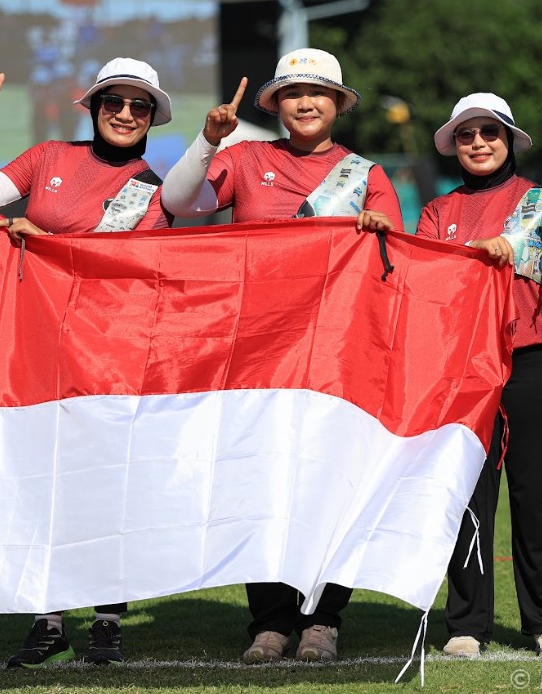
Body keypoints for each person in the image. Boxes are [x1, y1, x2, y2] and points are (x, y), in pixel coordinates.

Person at [161, 47, 404, 664]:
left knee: (330, 484)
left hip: (335, 359)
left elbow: (398, 266)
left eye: (318, 92)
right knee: (260, 483)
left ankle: (323, 619)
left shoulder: (367, 174)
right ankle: (269, 622)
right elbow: (177, 203)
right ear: (275, 104)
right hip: (255, 353)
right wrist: (208, 141)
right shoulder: (243, 158)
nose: (304, 102)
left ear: (339, 104)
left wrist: (382, 234)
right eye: (292, 92)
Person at [0, 56, 174, 668]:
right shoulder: (49, 156)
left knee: (108, 485)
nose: (125, 114)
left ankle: (107, 620)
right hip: (36, 346)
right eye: (113, 101)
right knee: (41, 480)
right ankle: (47, 617)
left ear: (153, 116)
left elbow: (132, 269)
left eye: (138, 106)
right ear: (94, 106)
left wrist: (51, 244)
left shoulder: (153, 191)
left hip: (113, 350)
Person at [416, 93, 542, 659]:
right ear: (453, 144)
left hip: (534, 363)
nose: (478, 143)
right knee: (468, 500)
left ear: (509, 140)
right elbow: (425, 290)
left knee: (539, 497)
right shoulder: (435, 214)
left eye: (489, 133)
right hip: (463, 370)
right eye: (467, 134)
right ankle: (466, 626)